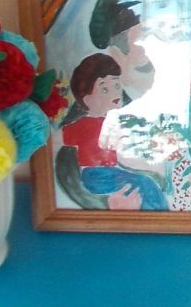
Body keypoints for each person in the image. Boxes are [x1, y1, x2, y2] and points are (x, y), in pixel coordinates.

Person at [58, 54, 168, 210]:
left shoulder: (114, 123)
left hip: (114, 171)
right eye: (104, 89)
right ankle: (159, 216)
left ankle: (159, 216)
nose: (115, 93)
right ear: (87, 100)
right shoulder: (84, 124)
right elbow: (57, 139)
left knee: (146, 184)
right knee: (143, 185)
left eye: (117, 86)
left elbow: (127, 153)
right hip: (96, 175)